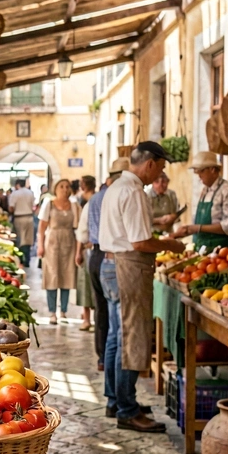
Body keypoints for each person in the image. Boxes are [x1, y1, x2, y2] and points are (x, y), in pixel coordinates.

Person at [99, 142, 186, 430]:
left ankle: (116, 400)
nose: (160, 174)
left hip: (110, 264)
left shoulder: (116, 187)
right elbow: (140, 243)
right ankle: (127, 409)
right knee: (132, 339)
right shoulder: (134, 191)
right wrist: (170, 244)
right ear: (149, 164)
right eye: (160, 168)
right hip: (128, 267)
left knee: (117, 337)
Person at [84, 158, 129, 369]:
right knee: (114, 313)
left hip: (96, 255)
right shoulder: (118, 195)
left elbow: (84, 229)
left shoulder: (95, 198)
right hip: (112, 255)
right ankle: (115, 360)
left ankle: (102, 356)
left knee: (100, 308)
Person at [171, 151, 228, 250]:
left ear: (212, 170)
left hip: (221, 250)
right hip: (201, 248)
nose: (199, 175)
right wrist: (187, 230)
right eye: (197, 172)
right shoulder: (205, 191)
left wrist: (199, 228)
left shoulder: (227, 191)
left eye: (201, 171)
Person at [38, 179, 79, 324]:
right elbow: (42, 227)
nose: (65, 189)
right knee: (52, 276)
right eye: (61, 186)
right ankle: (52, 312)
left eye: (67, 186)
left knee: (67, 276)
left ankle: (63, 311)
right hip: (52, 243)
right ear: (56, 189)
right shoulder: (49, 204)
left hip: (69, 243)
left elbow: (78, 227)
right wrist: (40, 246)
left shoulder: (74, 206)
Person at [74, 175, 97, 331]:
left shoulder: (89, 205)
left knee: (85, 285)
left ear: (83, 187)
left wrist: (78, 252)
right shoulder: (101, 201)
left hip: (89, 249)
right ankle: (93, 319)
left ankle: (87, 319)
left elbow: (82, 232)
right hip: (100, 249)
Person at [7, 178, 36, 262]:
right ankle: (27, 259)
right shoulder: (30, 193)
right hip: (29, 217)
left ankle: (21, 259)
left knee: (20, 239)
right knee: (28, 239)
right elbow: (34, 206)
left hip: (19, 218)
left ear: (17, 185)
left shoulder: (15, 194)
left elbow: (11, 208)